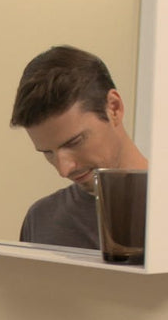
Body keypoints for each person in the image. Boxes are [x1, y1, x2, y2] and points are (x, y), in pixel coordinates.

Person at [10, 45, 149, 249]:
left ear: (114, 108)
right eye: (48, 153)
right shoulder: (41, 220)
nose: (64, 169)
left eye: (74, 142)